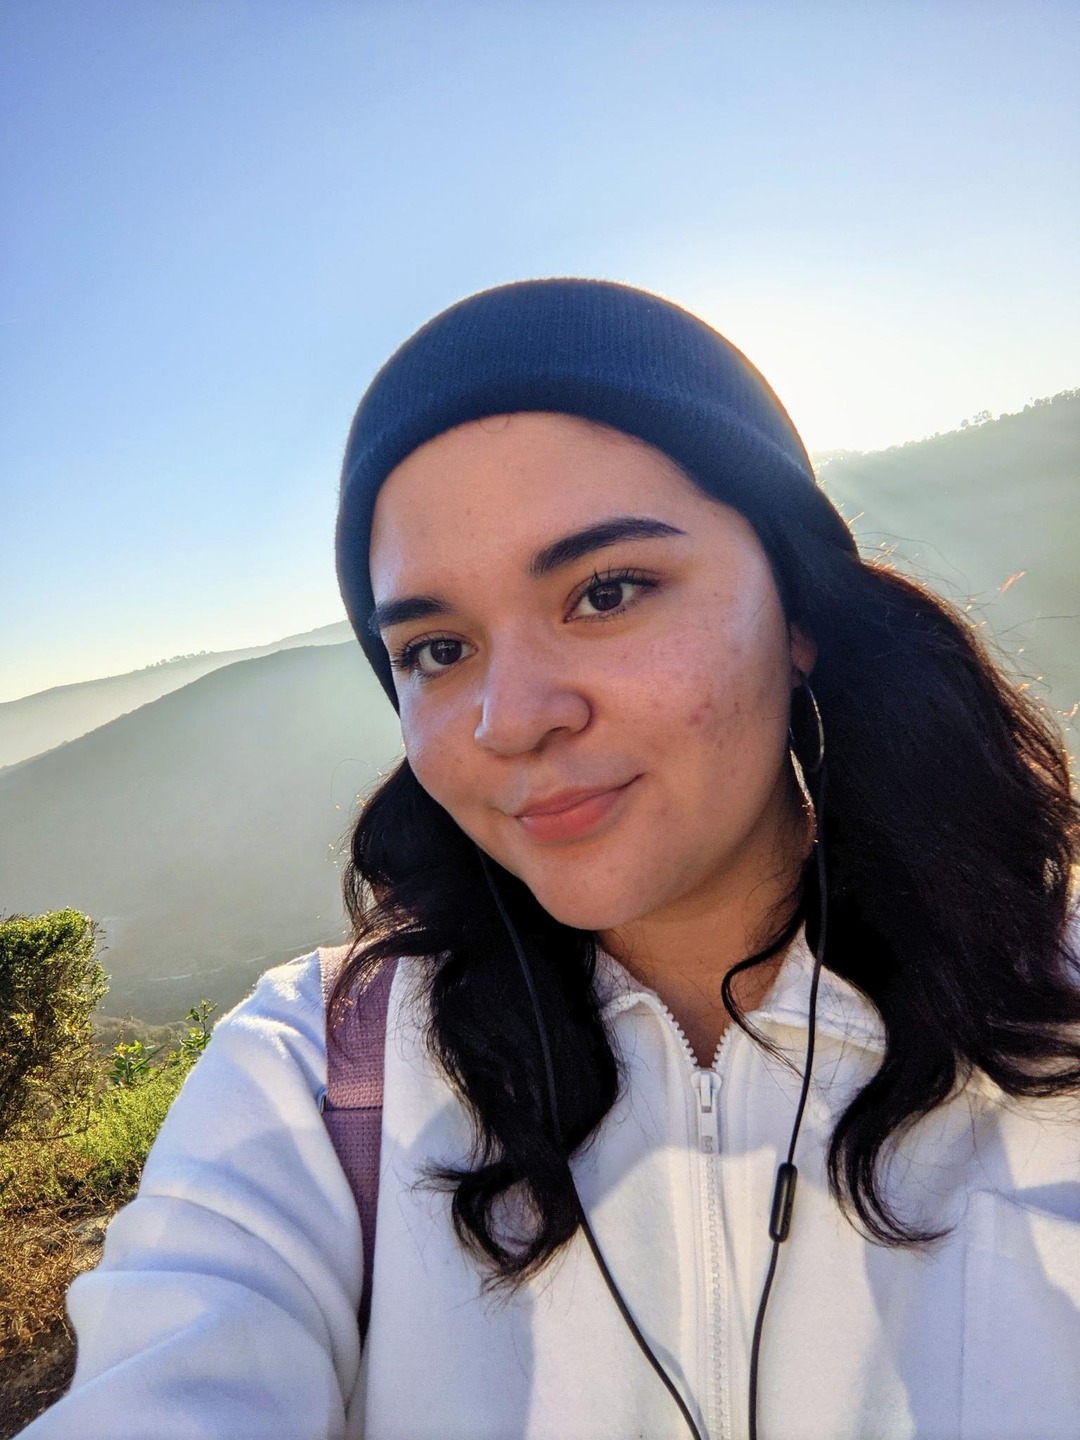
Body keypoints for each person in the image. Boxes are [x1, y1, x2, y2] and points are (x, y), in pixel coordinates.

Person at [21, 279, 1080, 1440]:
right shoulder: (317, 1083)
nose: (509, 719)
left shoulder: (1051, 1023)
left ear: (799, 608)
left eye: (606, 591)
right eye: (437, 649)